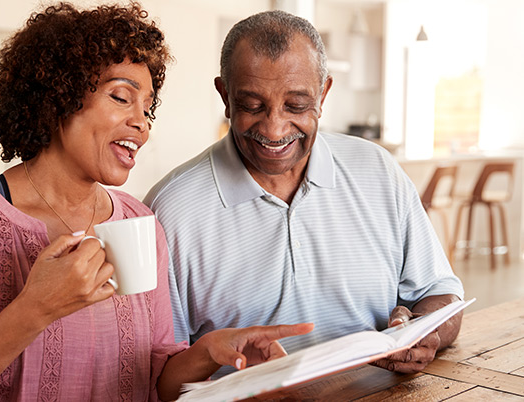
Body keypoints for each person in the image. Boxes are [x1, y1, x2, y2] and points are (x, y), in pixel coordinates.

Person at [0, 4, 314, 401]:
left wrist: (209, 351)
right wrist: (37, 308)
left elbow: (156, 381)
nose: (143, 123)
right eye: (121, 97)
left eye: (147, 107)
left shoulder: (141, 222)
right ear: (57, 96)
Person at [144, 9, 465, 378]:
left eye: (296, 105)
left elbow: (443, 294)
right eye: (252, 105)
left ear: (324, 92)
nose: (275, 128)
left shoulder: (378, 171)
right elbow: (159, 375)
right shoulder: (171, 210)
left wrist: (426, 332)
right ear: (225, 96)